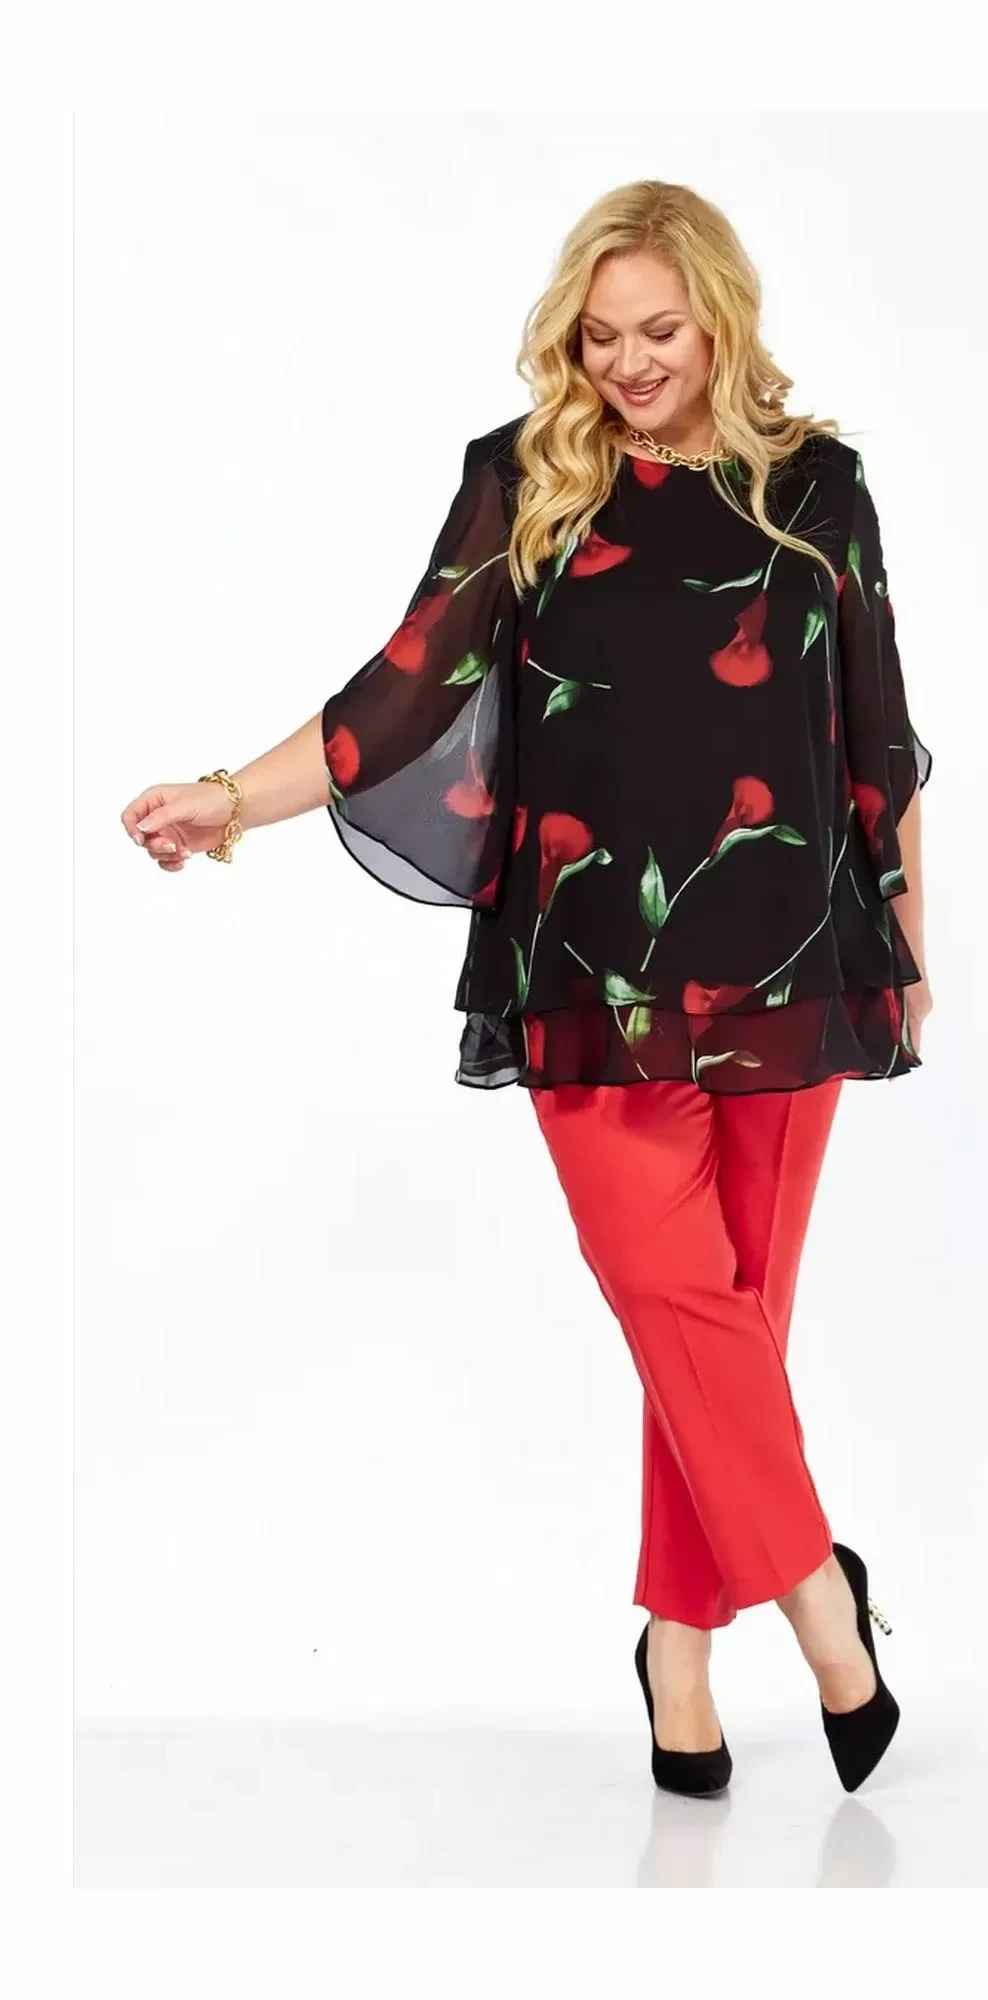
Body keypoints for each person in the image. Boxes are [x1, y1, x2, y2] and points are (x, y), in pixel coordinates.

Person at [120, 178, 934, 1798]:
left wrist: (909, 947)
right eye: (600, 336)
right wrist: (228, 796)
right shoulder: (530, 481)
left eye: (661, 331)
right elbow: (400, 694)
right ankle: (824, 1610)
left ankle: (677, 1653)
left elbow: (878, 734)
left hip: (791, 960)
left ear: (722, 320)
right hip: (587, 969)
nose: (629, 364)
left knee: (728, 1333)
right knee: (681, 1306)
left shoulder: (818, 489)